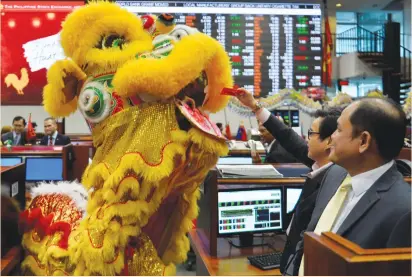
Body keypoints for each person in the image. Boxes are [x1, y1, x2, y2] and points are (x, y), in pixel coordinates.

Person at [289, 98, 411, 276]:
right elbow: (311, 232)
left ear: (363, 141)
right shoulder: (334, 174)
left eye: (338, 129)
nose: (331, 137)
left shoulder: (404, 211)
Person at [235, 88, 343, 273]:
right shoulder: (318, 164)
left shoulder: (336, 182)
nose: (306, 139)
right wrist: (255, 106)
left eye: (311, 134)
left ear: (329, 142)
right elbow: (286, 135)